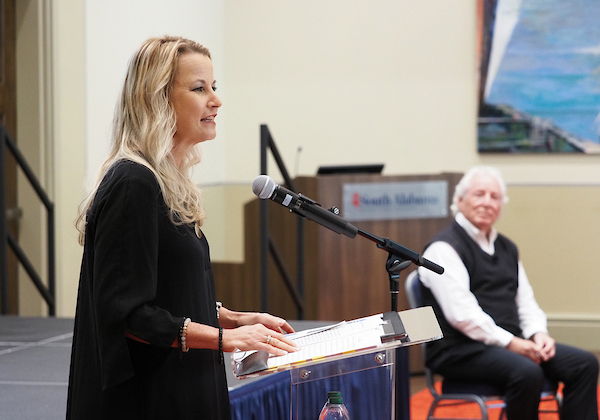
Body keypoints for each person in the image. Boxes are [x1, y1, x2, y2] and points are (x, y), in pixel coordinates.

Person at [66, 36, 298, 420]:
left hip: (185, 388)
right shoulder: (132, 184)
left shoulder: (162, 181)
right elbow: (128, 313)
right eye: (198, 88)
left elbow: (167, 293)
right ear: (157, 98)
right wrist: (225, 339)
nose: (215, 100)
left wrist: (235, 318)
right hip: (148, 400)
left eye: (214, 87)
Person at [418, 165, 599, 420]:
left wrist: (538, 334)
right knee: (527, 372)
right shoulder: (443, 248)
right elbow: (462, 315)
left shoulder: (507, 248)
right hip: (459, 350)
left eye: (494, 197)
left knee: (584, 364)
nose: (487, 202)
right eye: (479, 194)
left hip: (508, 344)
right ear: (460, 200)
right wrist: (512, 343)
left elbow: (525, 302)